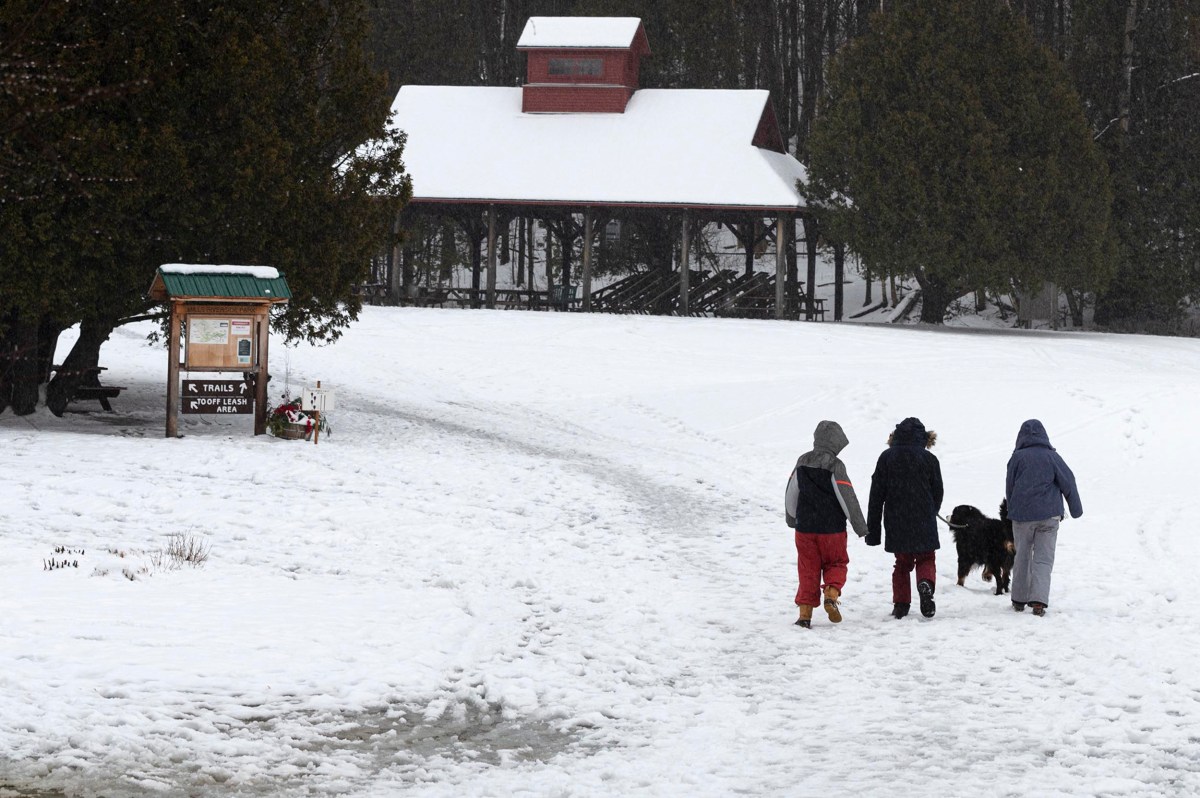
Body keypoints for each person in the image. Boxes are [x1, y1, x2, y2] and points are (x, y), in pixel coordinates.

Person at [784, 420, 868, 628]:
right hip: (832, 530)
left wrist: (792, 518)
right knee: (837, 563)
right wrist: (860, 526)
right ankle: (831, 593)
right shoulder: (835, 465)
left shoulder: (802, 461)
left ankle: (805, 615)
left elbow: (791, 492)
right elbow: (847, 496)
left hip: (805, 528)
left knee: (807, 568)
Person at [866, 417, 944, 619]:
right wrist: (931, 510)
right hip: (923, 519)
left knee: (902, 563)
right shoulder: (929, 459)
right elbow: (938, 491)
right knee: (926, 557)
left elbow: (876, 495)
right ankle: (925, 583)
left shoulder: (886, 457)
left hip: (896, 519)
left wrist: (873, 532)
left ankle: (901, 604)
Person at [1005, 419, 1082, 617]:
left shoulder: (1016, 458)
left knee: (1022, 555)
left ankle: (1019, 599)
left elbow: (1010, 487)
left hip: (1022, 517)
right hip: (1049, 516)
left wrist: (1012, 510)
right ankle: (1038, 601)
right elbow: (1069, 482)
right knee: (1043, 559)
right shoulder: (1052, 457)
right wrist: (1076, 509)